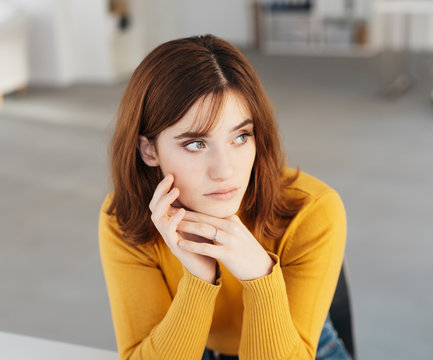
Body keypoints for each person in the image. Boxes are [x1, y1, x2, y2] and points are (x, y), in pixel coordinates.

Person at [99, 34, 349, 360]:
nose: (225, 171)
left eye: (241, 136)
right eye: (196, 144)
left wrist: (260, 276)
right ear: (149, 150)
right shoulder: (125, 219)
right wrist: (200, 279)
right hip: (191, 343)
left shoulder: (313, 211)